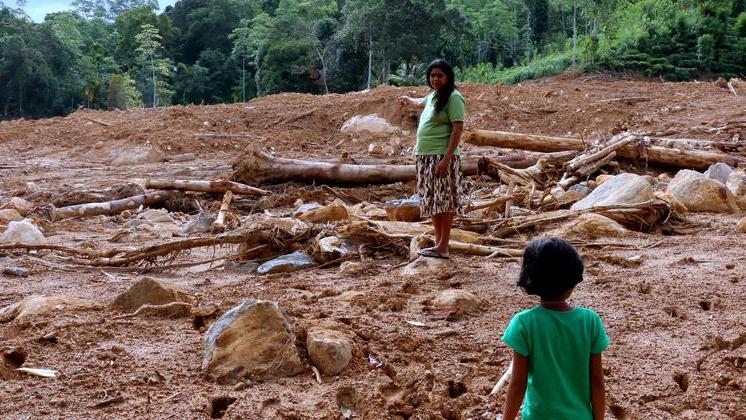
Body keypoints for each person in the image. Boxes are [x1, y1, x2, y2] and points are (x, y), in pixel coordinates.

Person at [501, 237, 610, 420]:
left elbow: (518, 384)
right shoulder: (590, 321)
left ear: (530, 279)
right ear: (573, 278)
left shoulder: (524, 323)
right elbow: (597, 382)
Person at [398, 58, 466, 259]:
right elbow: (419, 103)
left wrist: (446, 159)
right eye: (432, 75)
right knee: (433, 201)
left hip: (441, 157)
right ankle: (438, 245)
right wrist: (408, 99)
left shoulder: (454, 97)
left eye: (440, 75)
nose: (435, 79)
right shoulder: (433, 96)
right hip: (425, 157)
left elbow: (458, 129)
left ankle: (443, 246)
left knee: (445, 201)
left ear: (448, 77)